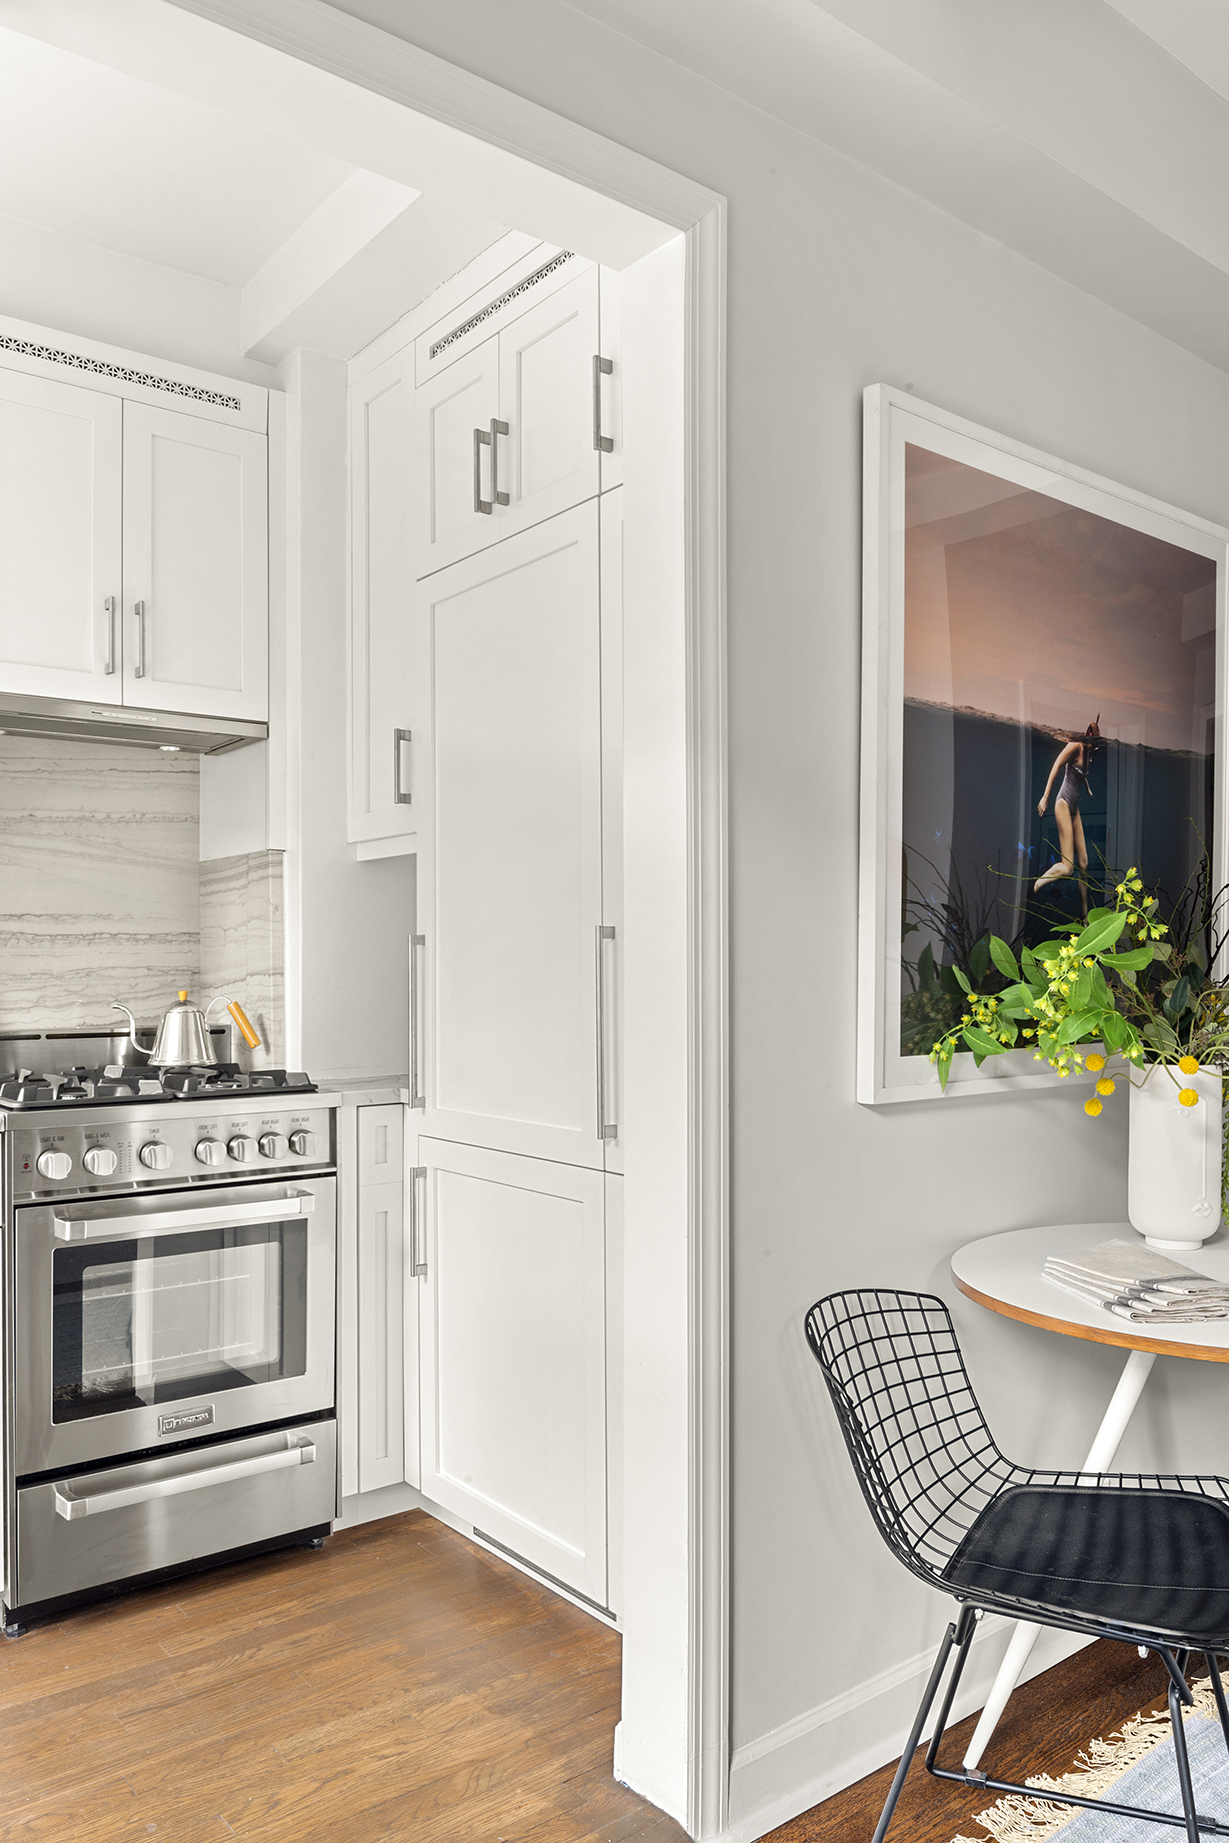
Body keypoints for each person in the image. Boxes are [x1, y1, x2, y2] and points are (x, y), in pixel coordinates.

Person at [1035, 719, 1101, 916]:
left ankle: (1084, 917)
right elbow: (1057, 765)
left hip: (1075, 807)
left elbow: (1081, 774)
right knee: (1068, 867)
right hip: (1063, 803)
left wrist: (1088, 790)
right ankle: (1035, 886)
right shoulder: (1075, 745)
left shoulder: (1089, 752)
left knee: (1084, 865)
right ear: (1087, 736)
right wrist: (1045, 797)